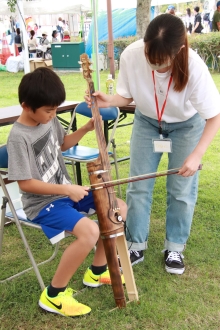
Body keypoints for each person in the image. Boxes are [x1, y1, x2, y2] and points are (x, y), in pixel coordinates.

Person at [85, 14, 220, 275]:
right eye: (151, 59)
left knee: (181, 189)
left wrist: (197, 154)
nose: (155, 66)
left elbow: (214, 116)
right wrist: (109, 100)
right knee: (138, 184)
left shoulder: (194, 66)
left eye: (162, 63)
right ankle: (136, 244)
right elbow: (127, 94)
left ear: (179, 50)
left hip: (186, 125)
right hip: (147, 122)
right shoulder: (131, 55)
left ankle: (175, 247)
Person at [7, 67, 126, 317]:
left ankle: (97, 270)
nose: (53, 115)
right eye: (49, 111)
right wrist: (66, 189)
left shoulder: (46, 121)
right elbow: (24, 184)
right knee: (90, 231)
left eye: (55, 110)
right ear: (27, 106)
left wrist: (85, 128)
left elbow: (62, 144)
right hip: (43, 204)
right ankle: (53, 295)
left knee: (117, 207)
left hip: (66, 195)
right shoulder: (18, 137)